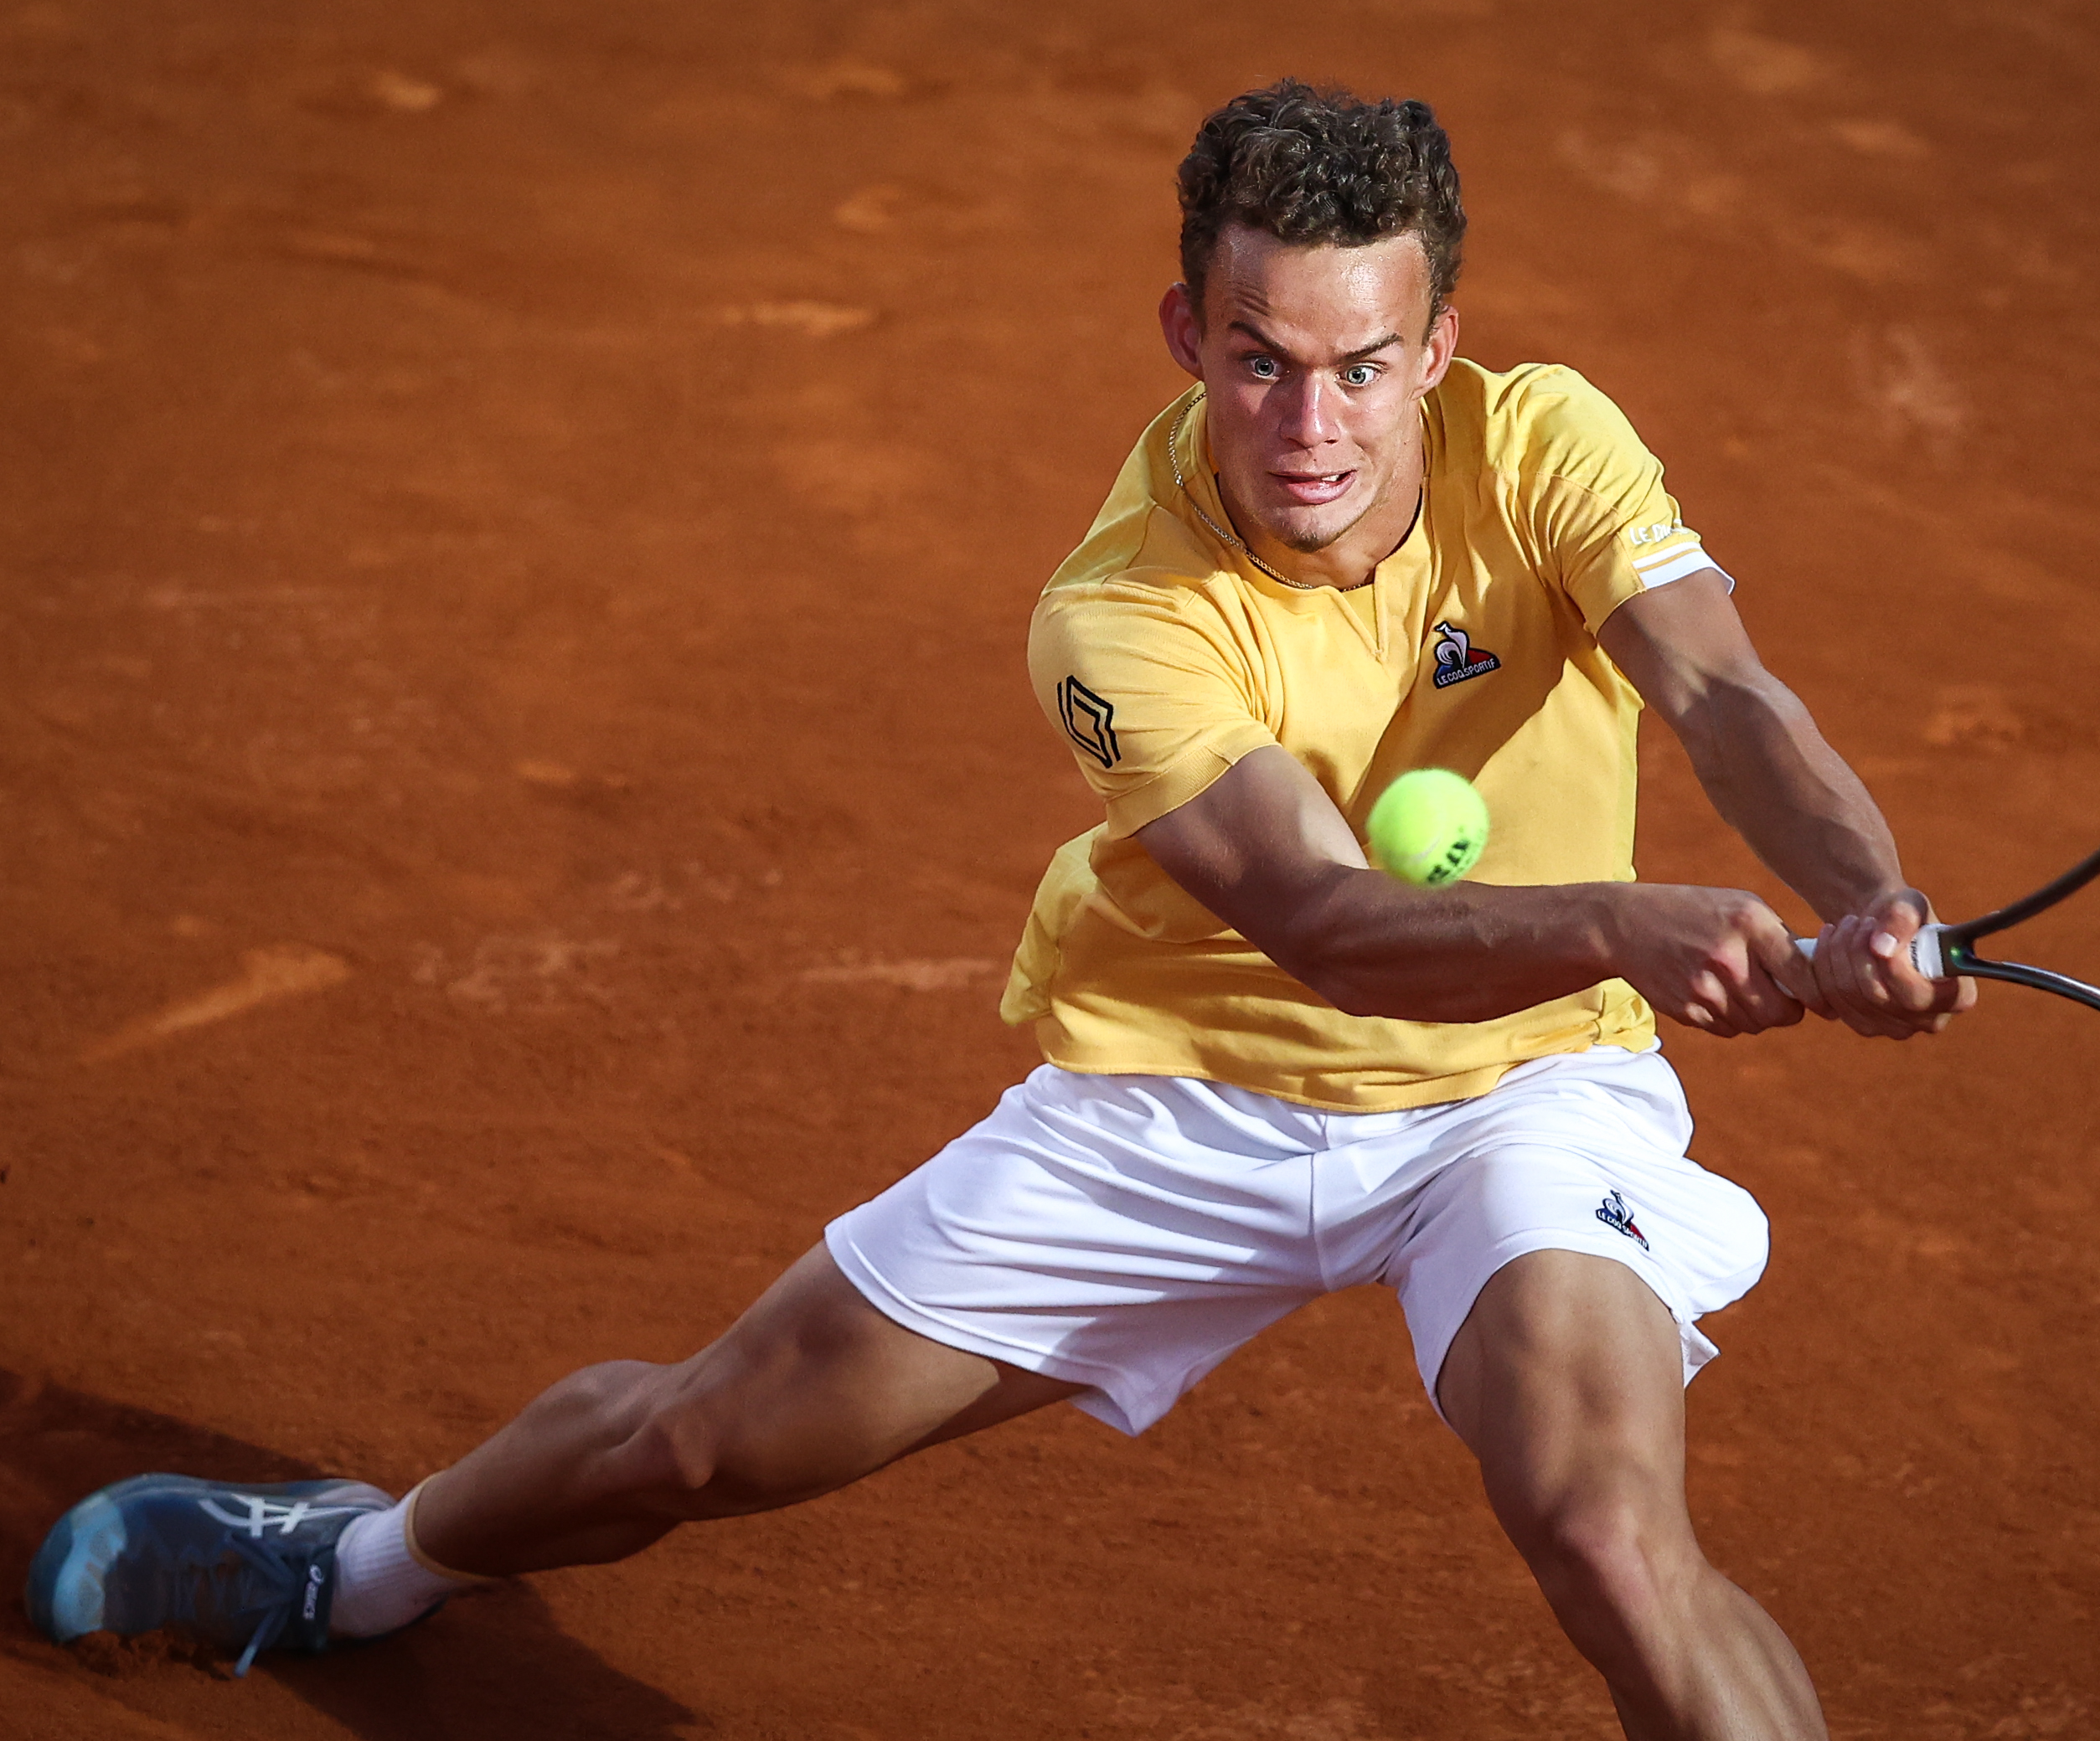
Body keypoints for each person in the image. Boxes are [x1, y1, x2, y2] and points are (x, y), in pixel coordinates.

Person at [28, 81, 1968, 1739]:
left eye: (1364, 364)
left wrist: (1868, 897)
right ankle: (365, 1562)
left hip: (1521, 1095)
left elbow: (1728, 700)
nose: (1312, 421)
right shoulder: (1117, 611)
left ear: (1441, 344)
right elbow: (1321, 922)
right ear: (1184, 334)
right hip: (1190, 1089)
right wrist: (1629, 919)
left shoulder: (1549, 440)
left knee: (1615, 1531)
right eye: (1260, 358)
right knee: (701, 1440)